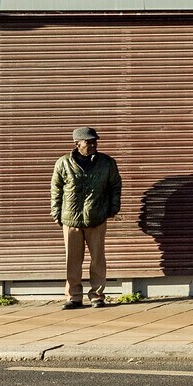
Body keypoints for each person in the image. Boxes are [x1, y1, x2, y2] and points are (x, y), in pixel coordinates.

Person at [51, 126, 121, 309]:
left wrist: (113, 208)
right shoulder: (63, 163)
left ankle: (97, 296)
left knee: (98, 259)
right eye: (88, 142)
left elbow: (115, 186)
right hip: (70, 220)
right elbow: (56, 189)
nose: (92, 145)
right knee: (72, 260)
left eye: (94, 141)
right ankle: (74, 297)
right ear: (77, 143)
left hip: (96, 218)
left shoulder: (107, 163)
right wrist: (55, 212)